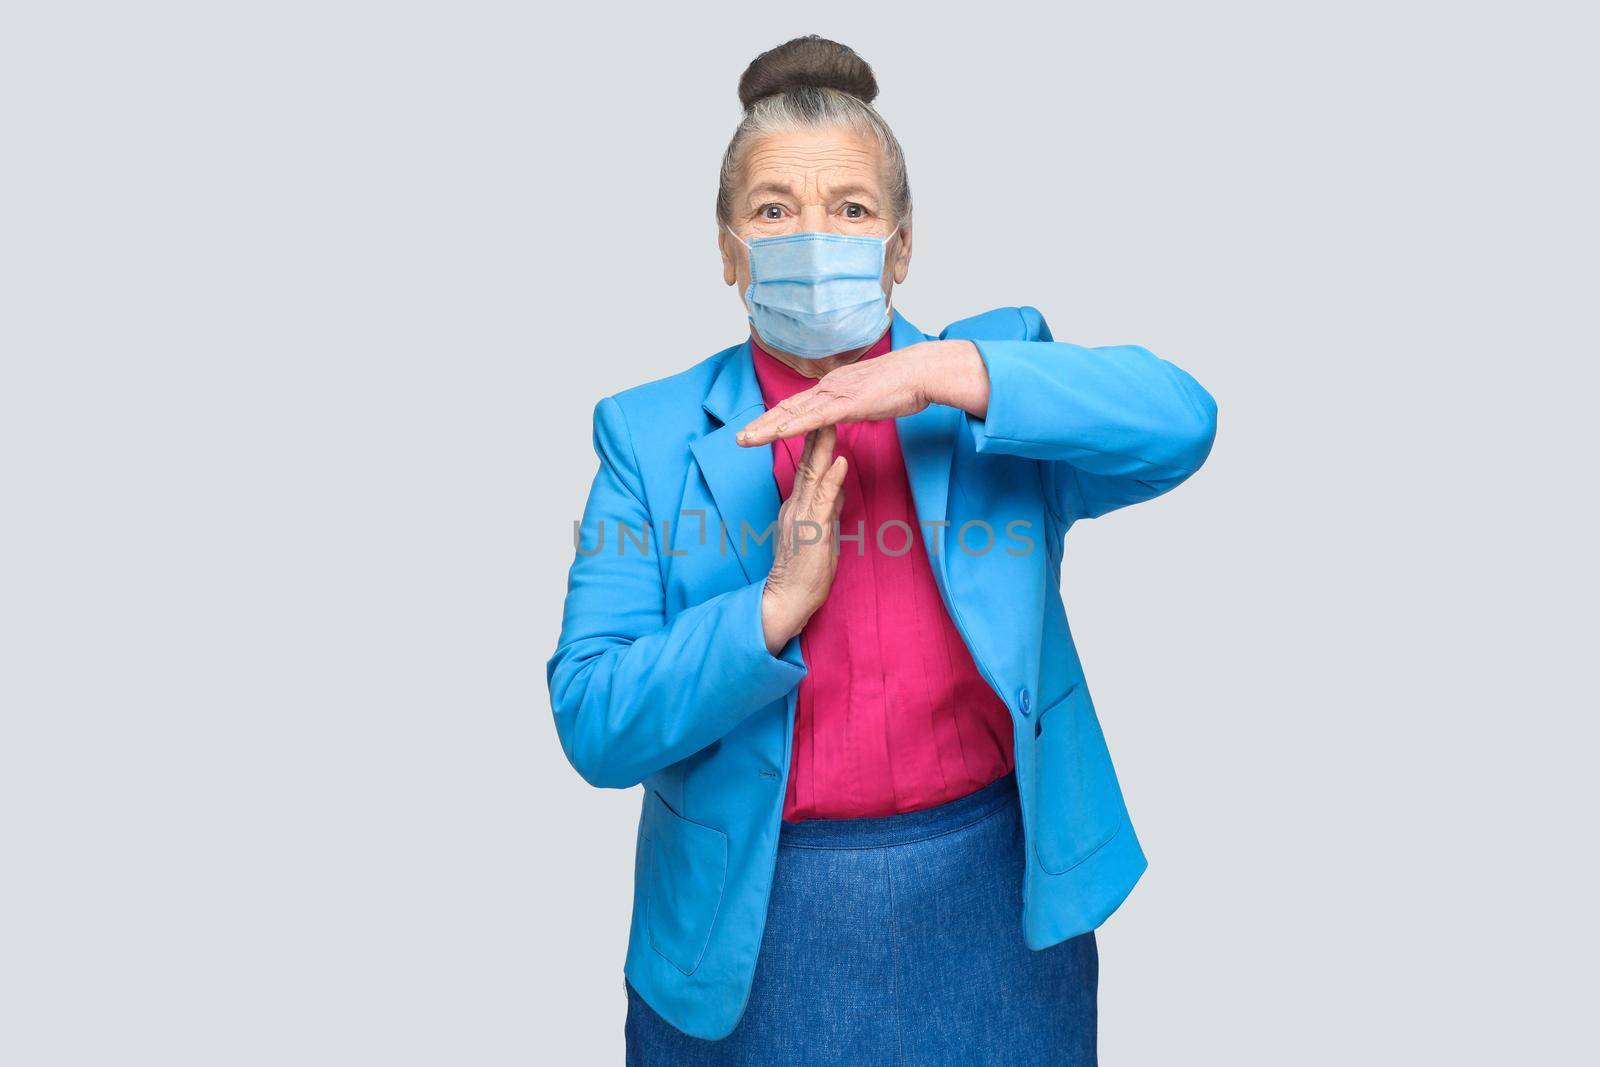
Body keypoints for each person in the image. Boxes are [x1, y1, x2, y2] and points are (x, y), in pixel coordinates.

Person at [546, 34, 1218, 1065]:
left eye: (850, 210)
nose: (811, 236)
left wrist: (954, 374)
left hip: (995, 902)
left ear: (899, 248)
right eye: (773, 210)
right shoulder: (646, 436)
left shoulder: (995, 397)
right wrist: (769, 611)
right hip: (753, 925)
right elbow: (594, 719)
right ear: (727, 250)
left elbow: (1181, 421)